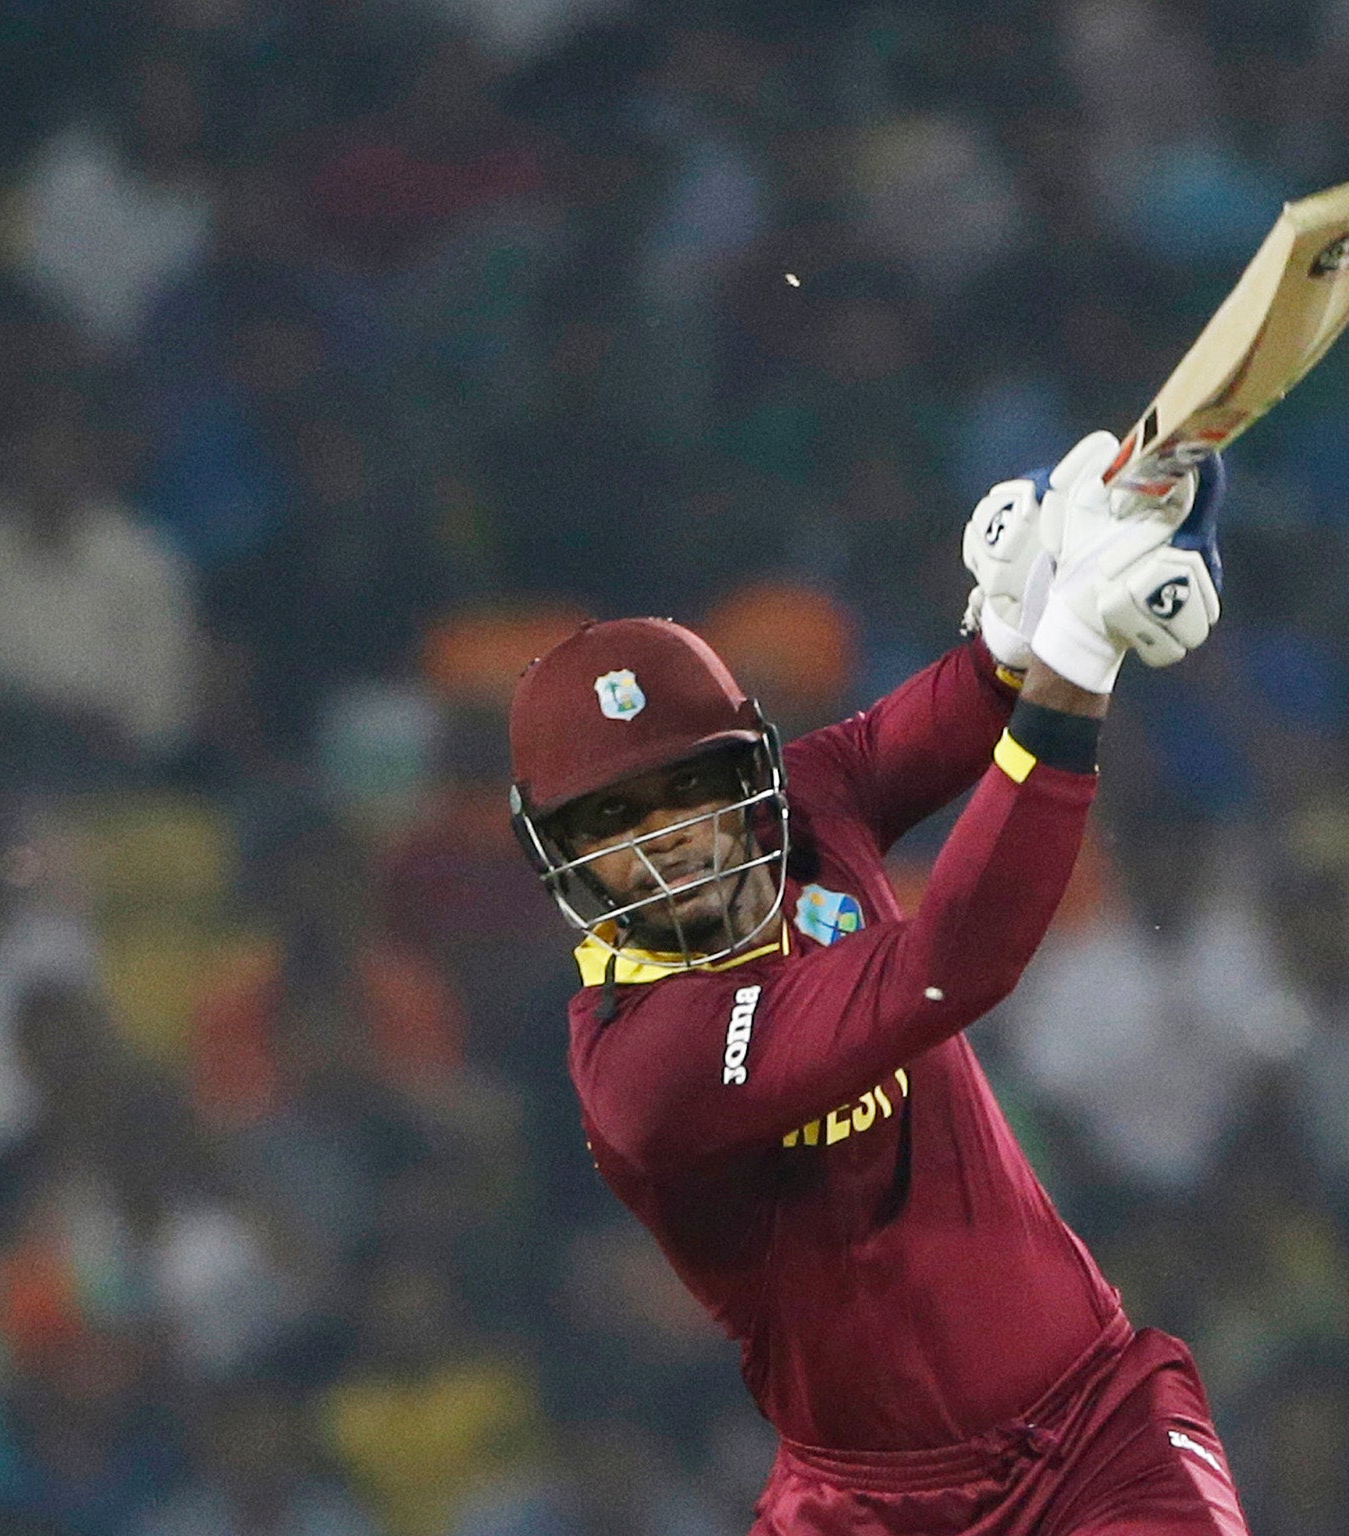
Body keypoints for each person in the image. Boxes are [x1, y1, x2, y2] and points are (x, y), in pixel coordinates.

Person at [506, 431, 1248, 1535]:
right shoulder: (643, 1067)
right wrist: (1076, 654)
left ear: (752, 767)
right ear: (556, 856)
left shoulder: (807, 805)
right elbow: (949, 967)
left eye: (688, 789)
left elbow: (968, 696)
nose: (671, 843)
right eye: (614, 819)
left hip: (1099, 1432)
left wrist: (1048, 574)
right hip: (859, 1514)